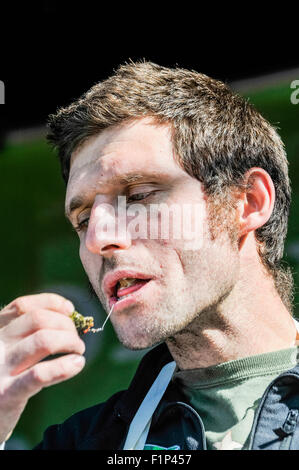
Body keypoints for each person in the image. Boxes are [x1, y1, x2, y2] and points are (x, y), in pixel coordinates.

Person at [1, 61, 299, 451]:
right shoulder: (83, 443)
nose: (97, 238)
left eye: (139, 195)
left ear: (247, 202)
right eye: (84, 218)